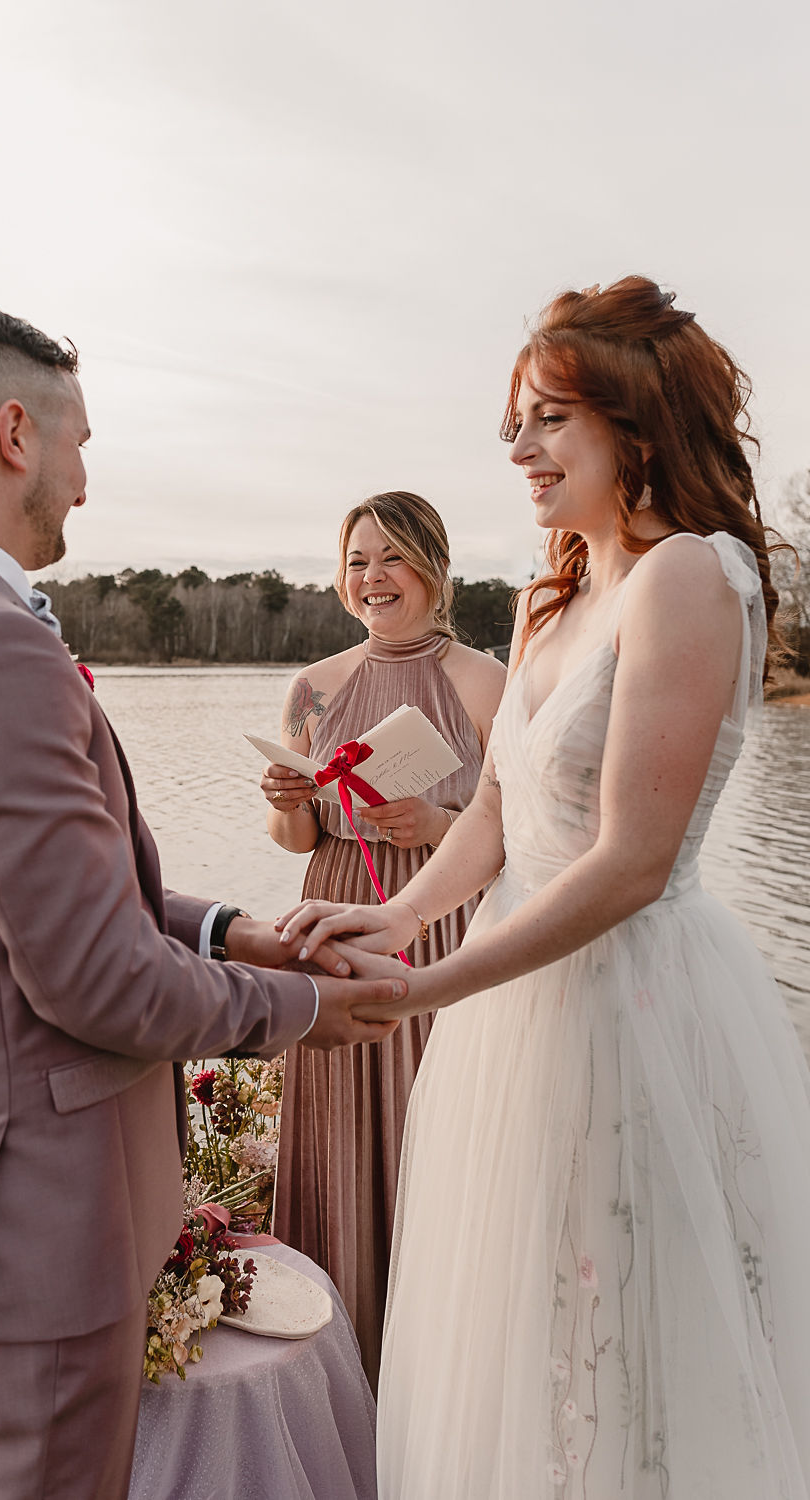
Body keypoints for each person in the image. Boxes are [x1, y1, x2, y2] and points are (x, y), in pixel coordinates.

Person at [0, 296, 406, 1500]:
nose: (85, 482)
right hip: (39, 1206)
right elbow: (92, 979)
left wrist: (229, 928)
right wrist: (300, 1009)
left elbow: (52, 906)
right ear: (16, 432)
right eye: (79, 444)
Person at [278, 277, 810, 1496]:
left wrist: (427, 988)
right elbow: (508, 812)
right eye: (513, 424)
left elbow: (629, 862)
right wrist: (399, 915)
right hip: (511, 994)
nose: (516, 450)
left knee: (628, 1317)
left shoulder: (689, 576)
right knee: (521, 1322)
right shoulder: (550, 588)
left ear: (636, 423)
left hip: (629, 1001)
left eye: (547, 421)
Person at [260, 491, 505, 1388]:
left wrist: (437, 825)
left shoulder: (487, 684)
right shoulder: (314, 687)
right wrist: (288, 807)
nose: (373, 578)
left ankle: (443, 1365)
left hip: (443, 927)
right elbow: (301, 841)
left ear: (435, 568)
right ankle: (341, 1360)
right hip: (334, 923)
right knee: (341, 1132)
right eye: (358, 561)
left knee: (437, 1124)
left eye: (392, 558)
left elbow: (524, 831)